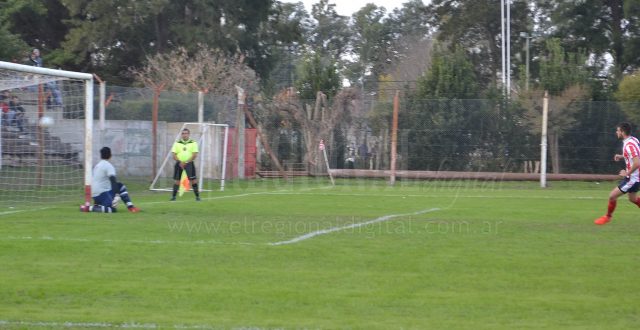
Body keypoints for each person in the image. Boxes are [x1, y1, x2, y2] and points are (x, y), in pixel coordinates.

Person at [594, 122, 640, 225]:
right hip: (636, 178)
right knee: (632, 199)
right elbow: (636, 155)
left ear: (622, 132)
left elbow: (637, 162)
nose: (616, 132)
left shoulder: (629, 145)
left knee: (612, 196)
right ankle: (608, 217)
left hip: (633, 179)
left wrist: (626, 173)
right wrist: (622, 156)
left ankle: (608, 217)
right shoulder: (633, 140)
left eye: (618, 130)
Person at [80, 147, 140, 213]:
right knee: (112, 209)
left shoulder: (97, 166)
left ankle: (97, 206)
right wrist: (117, 195)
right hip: (102, 194)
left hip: (94, 194)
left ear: (101, 156)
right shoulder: (108, 166)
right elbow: (113, 180)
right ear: (110, 155)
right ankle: (88, 208)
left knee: (118, 186)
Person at [170, 128, 201, 201]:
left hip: (189, 164)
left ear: (189, 134)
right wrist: (180, 162)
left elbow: (194, 155)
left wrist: (186, 162)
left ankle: (197, 197)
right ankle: (173, 197)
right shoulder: (177, 143)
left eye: (186, 133)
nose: (184, 135)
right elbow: (174, 155)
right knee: (177, 181)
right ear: (181, 135)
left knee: (193, 180)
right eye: (183, 133)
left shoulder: (193, 143)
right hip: (179, 164)